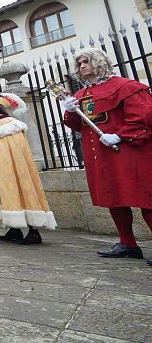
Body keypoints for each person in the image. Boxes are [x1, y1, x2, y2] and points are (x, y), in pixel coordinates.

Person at [60, 48, 152, 264]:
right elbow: (77, 126)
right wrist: (70, 111)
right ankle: (127, 243)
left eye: (86, 61)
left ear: (99, 61)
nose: (82, 66)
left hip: (131, 152)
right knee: (115, 197)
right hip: (102, 155)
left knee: (146, 198)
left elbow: (144, 116)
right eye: (79, 63)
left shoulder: (126, 86)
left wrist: (120, 136)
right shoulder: (81, 95)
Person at [0, 93, 56, 244]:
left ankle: (34, 231)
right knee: (4, 196)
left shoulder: (11, 124)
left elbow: (15, 149)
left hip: (11, 168)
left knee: (22, 191)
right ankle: (14, 229)